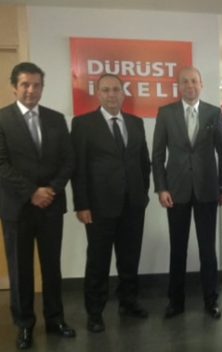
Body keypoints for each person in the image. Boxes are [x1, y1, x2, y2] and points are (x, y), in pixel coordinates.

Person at [0, 62, 75, 349]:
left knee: (52, 266)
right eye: (25, 85)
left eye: (36, 85)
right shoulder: (2, 119)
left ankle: (55, 319)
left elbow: (68, 160)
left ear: (42, 87)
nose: (31, 90)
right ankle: (24, 325)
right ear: (14, 87)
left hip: (51, 205)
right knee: (20, 269)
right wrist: (31, 192)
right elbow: (1, 165)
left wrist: (50, 190)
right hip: (17, 207)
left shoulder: (56, 119)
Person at [71, 73, 151, 333]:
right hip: (99, 207)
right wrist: (82, 205)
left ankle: (128, 302)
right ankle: (95, 312)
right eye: (105, 90)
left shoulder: (136, 123)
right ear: (98, 94)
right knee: (98, 261)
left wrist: (143, 194)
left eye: (116, 89)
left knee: (129, 258)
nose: (111, 94)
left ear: (123, 93)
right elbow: (78, 168)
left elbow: (144, 162)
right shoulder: (83, 124)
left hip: (133, 204)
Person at [152, 67, 222, 319]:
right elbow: (157, 155)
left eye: (194, 81)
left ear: (201, 84)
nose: (190, 85)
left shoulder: (213, 113)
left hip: (207, 190)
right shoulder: (166, 113)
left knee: (208, 250)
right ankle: (176, 301)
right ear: (178, 86)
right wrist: (161, 188)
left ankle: (211, 300)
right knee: (178, 249)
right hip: (176, 191)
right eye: (184, 81)